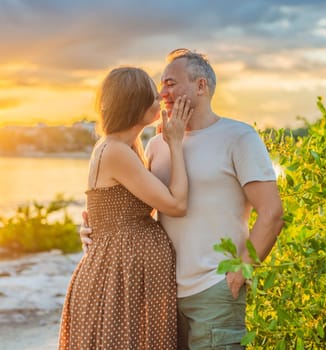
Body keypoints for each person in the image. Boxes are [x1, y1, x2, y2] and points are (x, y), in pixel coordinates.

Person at [81, 49, 284, 350]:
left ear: (201, 86)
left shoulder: (239, 137)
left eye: (171, 83)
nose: (163, 92)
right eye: (161, 85)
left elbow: (272, 213)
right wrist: (96, 229)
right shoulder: (157, 145)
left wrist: (243, 267)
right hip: (160, 292)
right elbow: (139, 210)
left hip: (213, 289)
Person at [58, 66, 193, 350]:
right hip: (119, 279)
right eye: (155, 98)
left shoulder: (127, 147)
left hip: (126, 276)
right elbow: (176, 204)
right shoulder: (116, 151)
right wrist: (176, 144)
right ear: (136, 104)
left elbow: (119, 210)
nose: (162, 102)